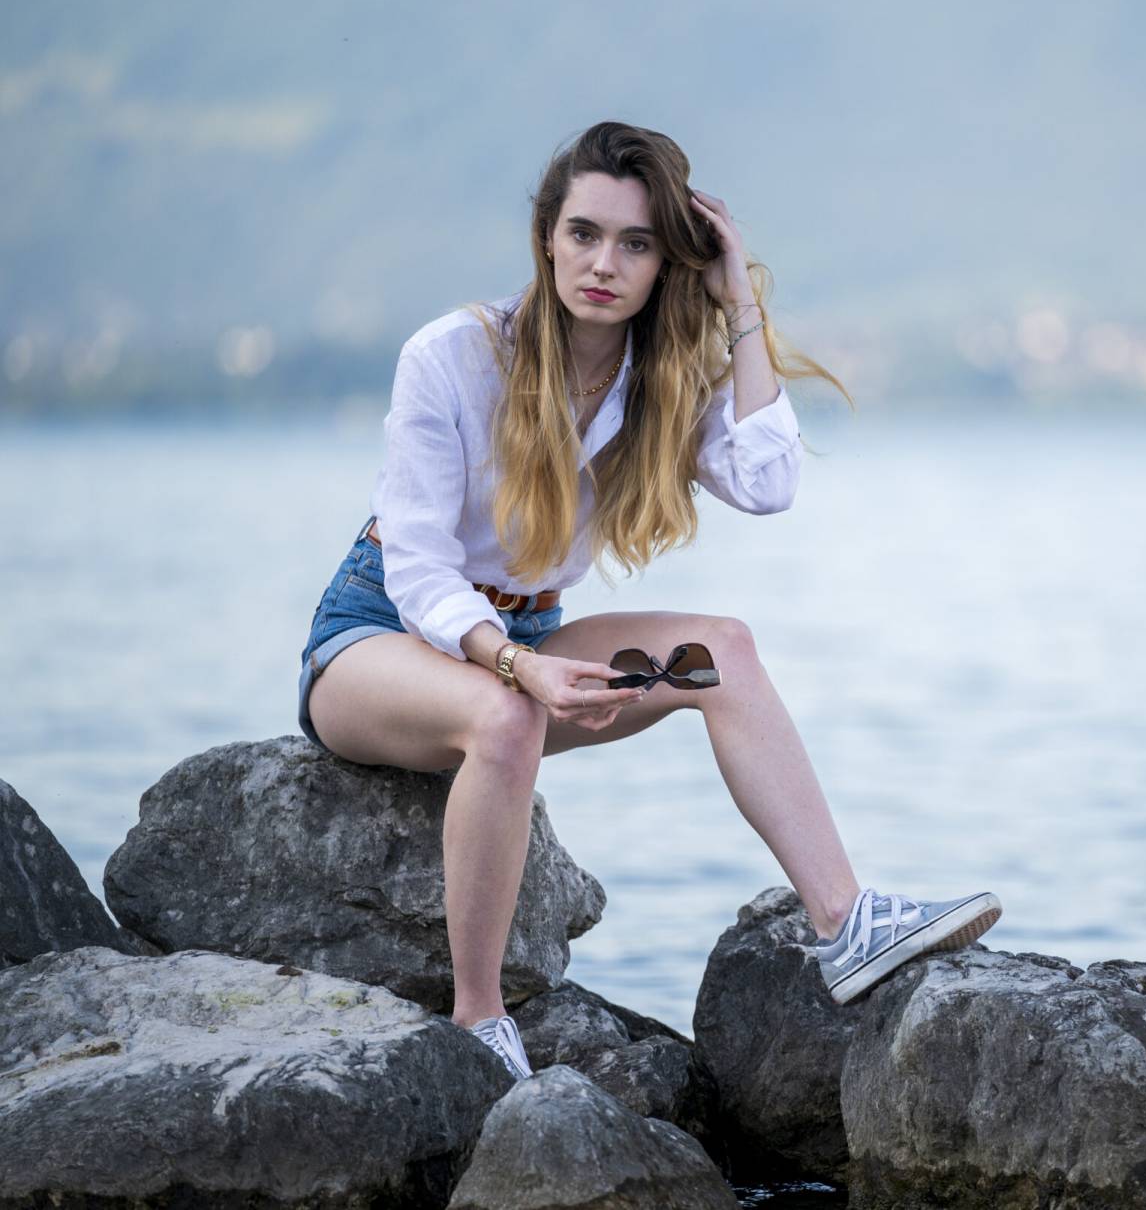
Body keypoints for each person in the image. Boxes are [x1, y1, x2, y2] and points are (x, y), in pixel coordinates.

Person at [295, 121, 1000, 1080]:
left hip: (529, 631)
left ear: (668, 263)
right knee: (504, 719)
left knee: (724, 650)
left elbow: (767, 481)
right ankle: (478, 1020)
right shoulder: (452, 356)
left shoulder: (659, 381)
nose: (602, 263)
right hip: (379, 639)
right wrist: (519, 665)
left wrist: (739, 302)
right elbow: (418, 568)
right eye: (583, 233)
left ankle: (845, 925)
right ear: (547, 236)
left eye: (635, 244)